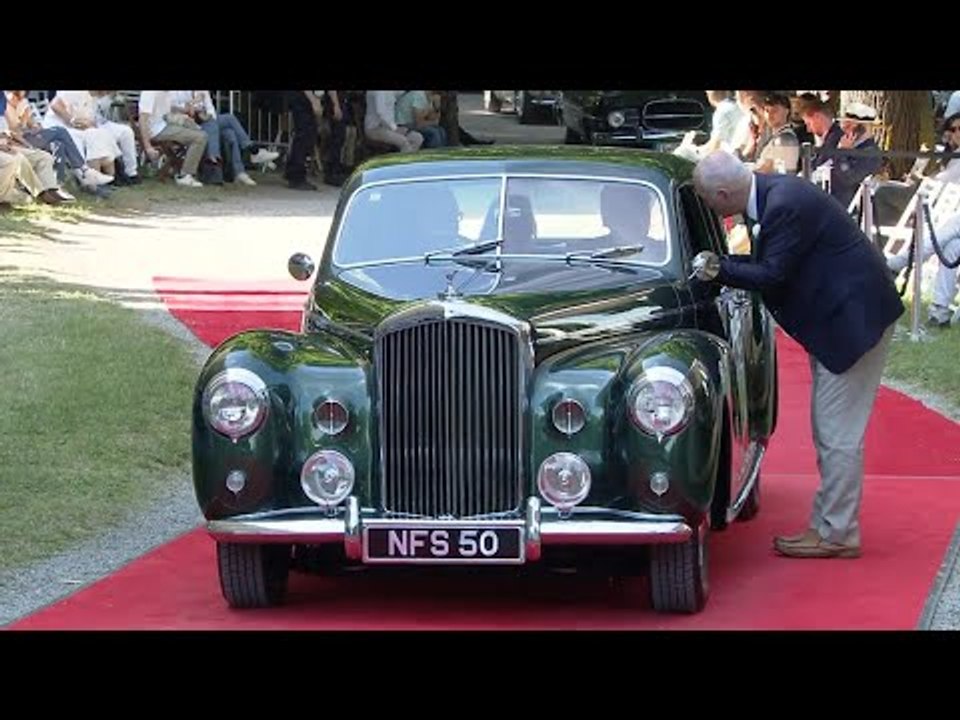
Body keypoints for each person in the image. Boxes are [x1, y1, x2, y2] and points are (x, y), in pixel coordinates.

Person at [691, 150, 904, 559]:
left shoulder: (783, 205)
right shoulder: (777, 195)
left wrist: (717, 269)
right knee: (830, 429)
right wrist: (727, 265)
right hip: (842, 317)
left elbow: (772, 273)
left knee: (837, 433)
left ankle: (838, 533)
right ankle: (829, 526)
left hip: (853, 324)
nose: (708, 208)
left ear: (721, 194)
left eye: (706, 200)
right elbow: (772, 264)